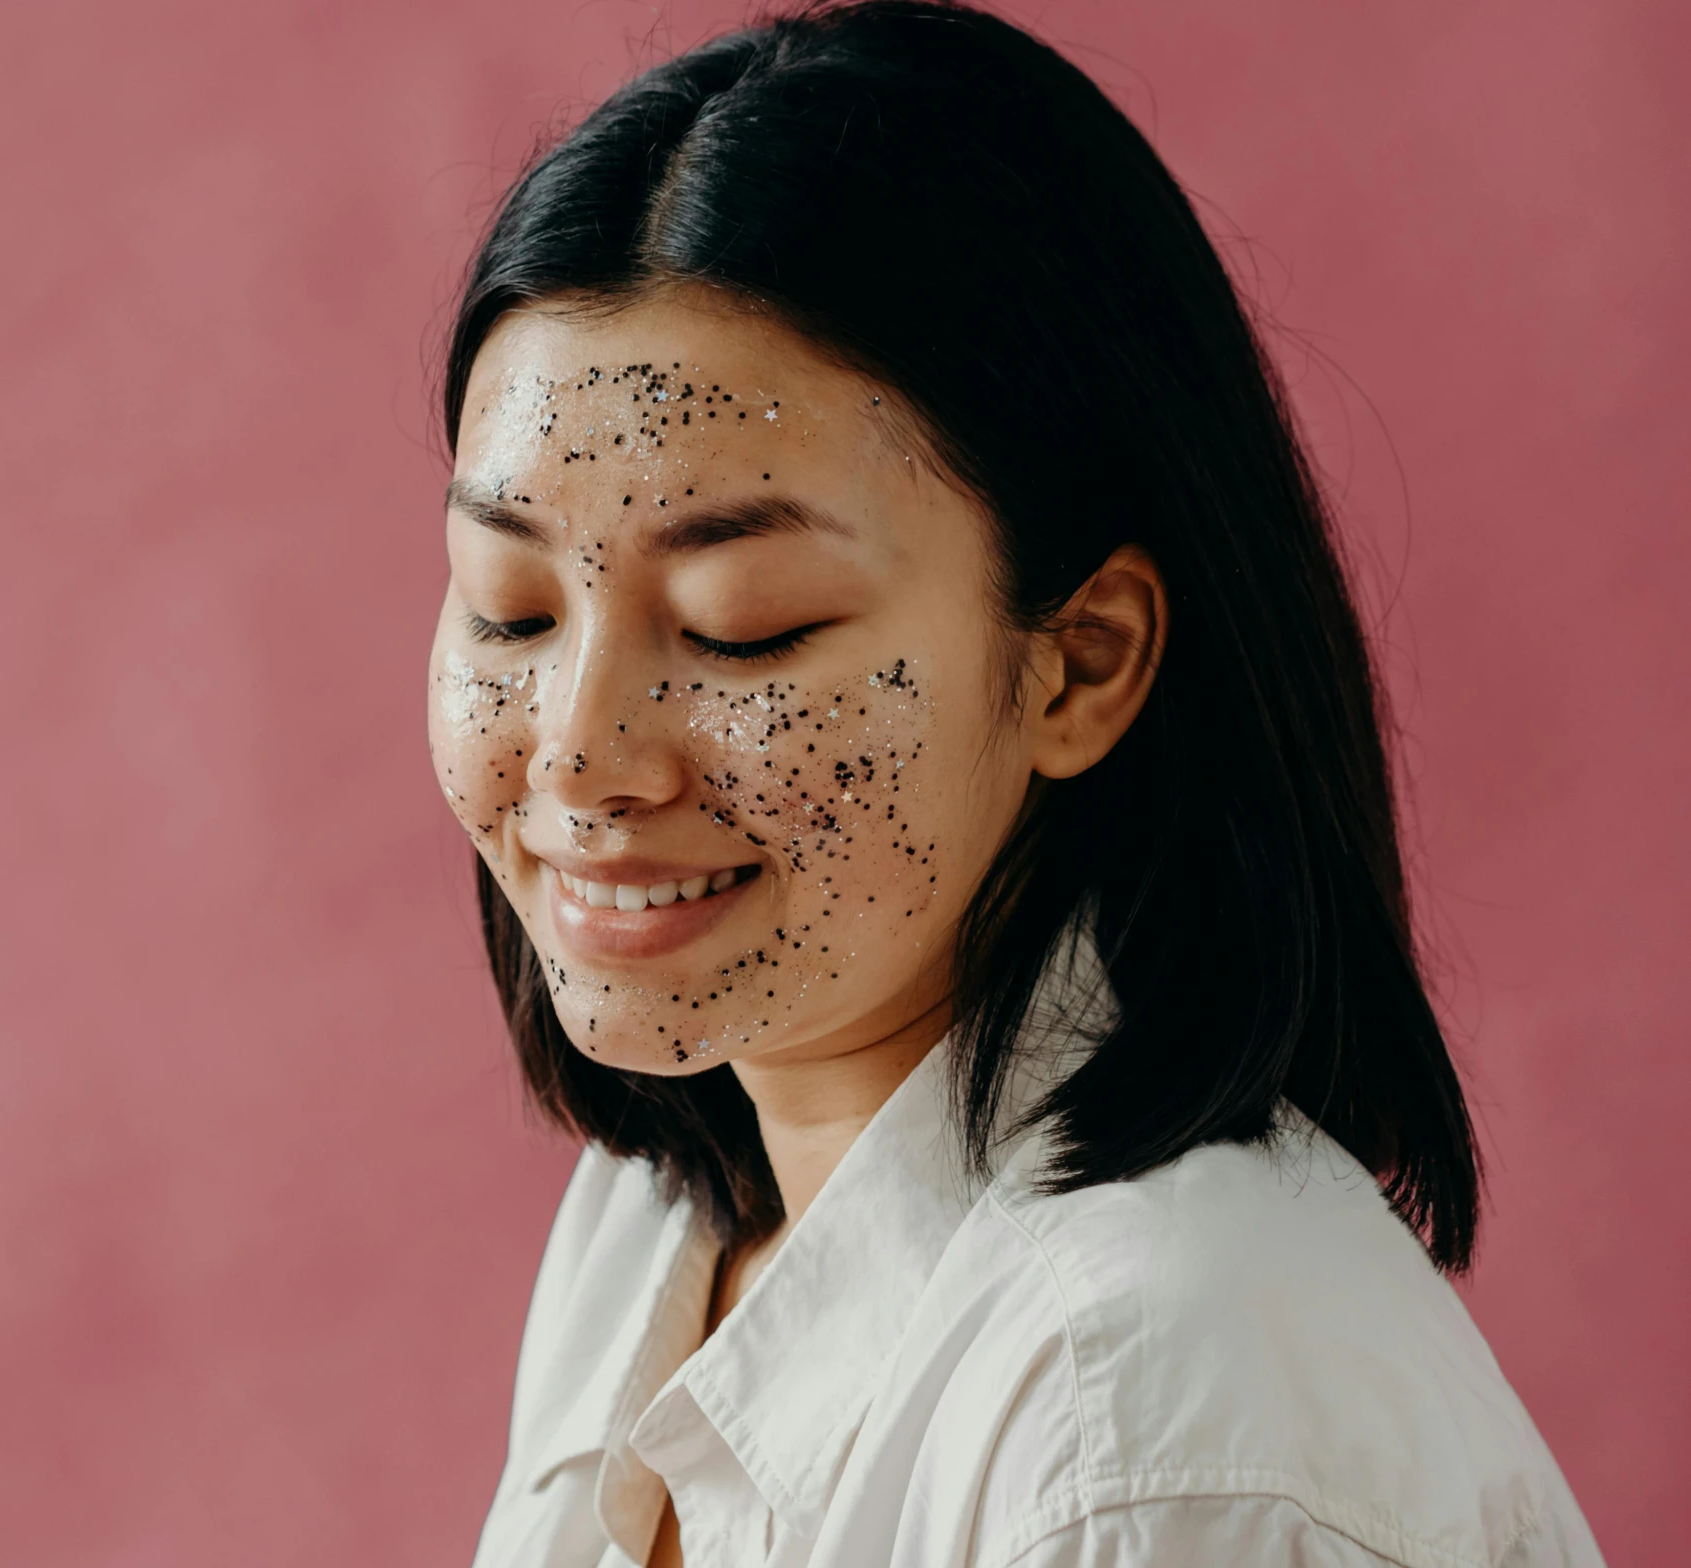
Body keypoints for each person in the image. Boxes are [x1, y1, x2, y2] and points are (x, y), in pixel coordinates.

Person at [425, 4, 1603, 1565]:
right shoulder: (651, 1227)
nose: (579, 752)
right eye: (509, 609)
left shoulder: (1150, 1420)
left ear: (1079, 660)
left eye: (743, 630)